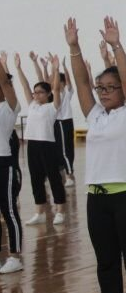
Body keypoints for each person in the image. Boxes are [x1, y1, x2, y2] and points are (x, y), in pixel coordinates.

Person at [65, 16, 126, 293]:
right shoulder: (95, 116)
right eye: (100, 87)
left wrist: (117, 46)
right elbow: (81, 84)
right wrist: (74, 47)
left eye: (109, 88)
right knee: (105, 260)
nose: (102, 92)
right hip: (97, 197)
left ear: (122, 91)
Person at [15, 51, 65, 226]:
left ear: (48, 94)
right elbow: (25, 86)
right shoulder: (32, 105)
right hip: (32, 145)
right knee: (36, 179)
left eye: (40, 92)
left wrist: (55, 69)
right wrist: (19, 68)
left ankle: (60, 210)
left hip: (47, 145)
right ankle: (40, 212)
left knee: (53, 178)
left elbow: (56, 89)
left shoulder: (52, 107)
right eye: (35, 93)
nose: (36, 95)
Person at [0, 52, 23, 274]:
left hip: (3, 163)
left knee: (9, 210)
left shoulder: (10, 107)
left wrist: (2, 66)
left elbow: (6, 84)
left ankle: (15, 256)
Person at [54, 64, 76, 187]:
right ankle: (64, 172)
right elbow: (45, 79)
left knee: (66, 149)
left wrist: (64, 67)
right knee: (60, 149)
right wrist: (48, 68)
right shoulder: (54, 93)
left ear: (62, 82)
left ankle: (69, 175)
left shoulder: (67, 92)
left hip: (64, 121)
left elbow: (69, 81)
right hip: (58, 122)